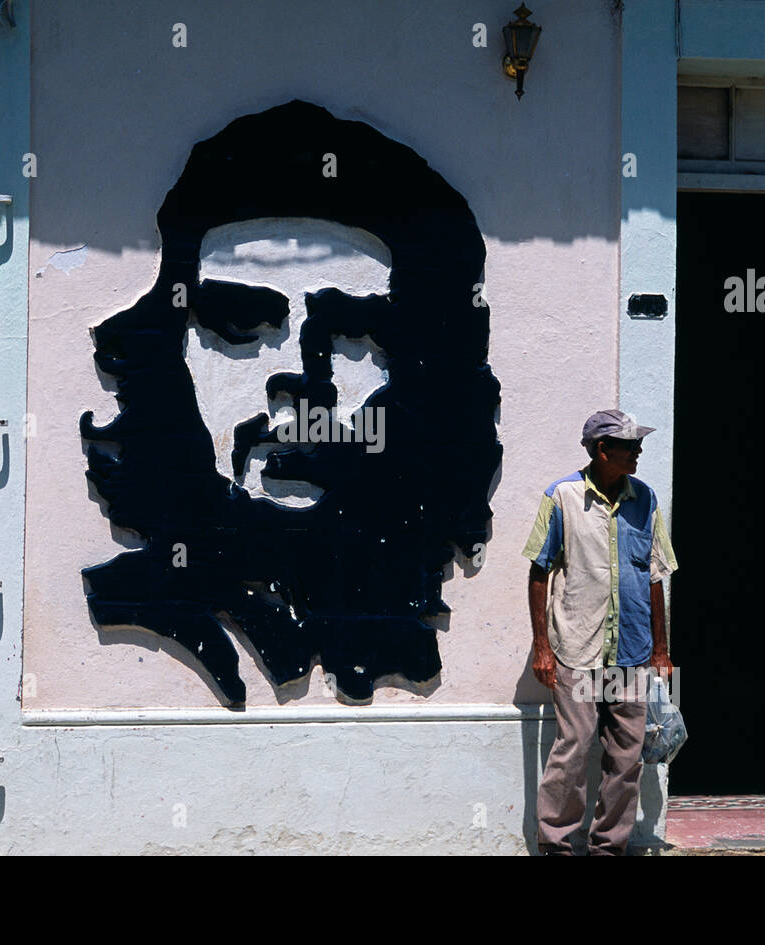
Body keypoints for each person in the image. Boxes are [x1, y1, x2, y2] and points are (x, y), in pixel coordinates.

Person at [79, 100, 502, 705]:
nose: (302, 384)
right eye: (242, 329)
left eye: (351, 335)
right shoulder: (130, 599)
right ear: (176, 346)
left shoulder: (401, 605)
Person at [522, 409, 678, 855]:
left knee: (627, 758)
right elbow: (539, 573)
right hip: (577, 648)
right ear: (603, 449)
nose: (639, 452)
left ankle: (608, 848)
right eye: (630, 445)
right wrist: (542, 647)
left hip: (631, 650)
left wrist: (661, 649)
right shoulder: (562, 496)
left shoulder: (645, 498)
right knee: (572, 751)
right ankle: (555, 846)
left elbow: (654, 576)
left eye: (639, 444)